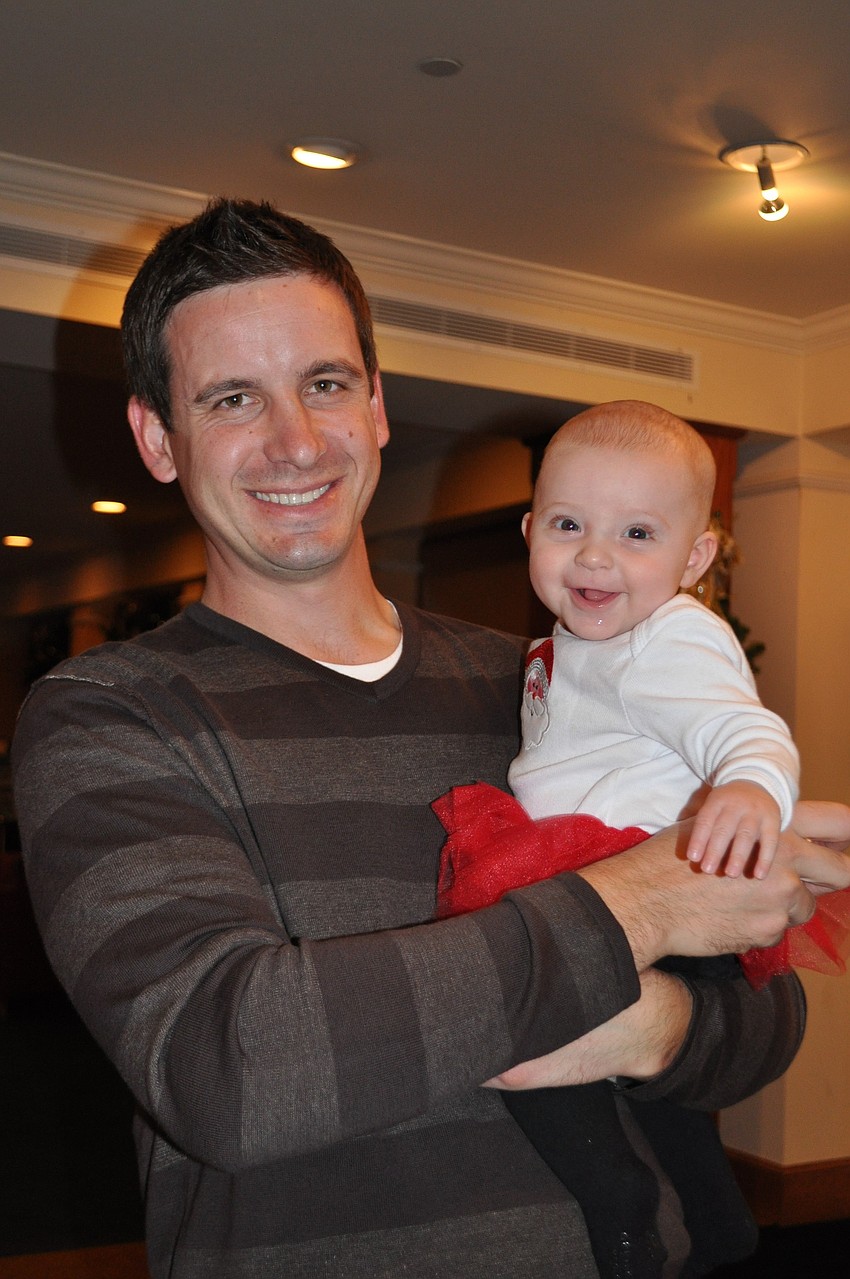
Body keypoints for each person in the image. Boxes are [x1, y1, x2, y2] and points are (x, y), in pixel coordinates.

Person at [11, 199, 850, 1279]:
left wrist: (660, 1028)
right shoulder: (108, 715)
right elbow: (224, 1068)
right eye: (233, 398)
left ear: (377, 409)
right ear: (158, 440)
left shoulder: (546, 681)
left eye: (325, 384)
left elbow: (766, 1014)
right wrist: (636, 904)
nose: (296, 440)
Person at [433, 402, 806, 1276]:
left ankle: (619, 1198)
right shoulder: (564, 645)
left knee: (533, 1044)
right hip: (601, 875)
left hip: (641, 880)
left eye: (637, 532)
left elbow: (744, 729)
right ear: (531, 531)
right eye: (569, 525)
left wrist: (752, 785)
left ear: (696, 555)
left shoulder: (672, 635)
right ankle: (718, 1220)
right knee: (664, 1102)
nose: (595, 554)